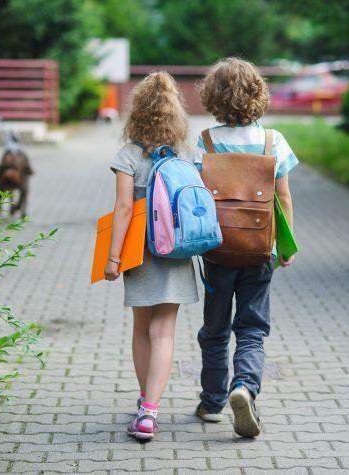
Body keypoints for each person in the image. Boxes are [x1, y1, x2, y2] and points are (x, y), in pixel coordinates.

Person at [193, 58, 298, 438]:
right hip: (259, 250)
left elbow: (196, 198)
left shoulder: (204, 141)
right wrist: (284, 246)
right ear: (258, 95)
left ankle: (212, 402)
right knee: (252, 328)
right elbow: (283, 199)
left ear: (212, 97)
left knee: (215, 329)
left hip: (218, 250)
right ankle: (246, 387)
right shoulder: (274, 141)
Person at [105, 71, 199, 441]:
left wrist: (113, 258)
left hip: (141, 253)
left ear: (137, 112)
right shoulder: (187, 154)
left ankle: (145, 404)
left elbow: (124, 208)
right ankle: (150, 411)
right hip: (177, 251)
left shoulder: (128, 155)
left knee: (142, 328)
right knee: (165, 332)